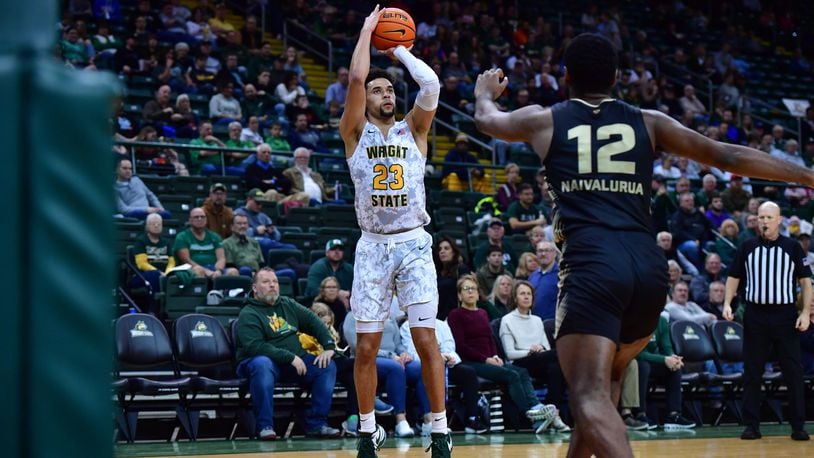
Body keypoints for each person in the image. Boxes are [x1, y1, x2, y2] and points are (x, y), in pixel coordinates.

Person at [473, 32, 814, 457]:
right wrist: (805, 176)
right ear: (617, 77)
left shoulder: (545, 119)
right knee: (606, 386)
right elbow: (727, 155)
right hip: (649, 268)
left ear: (565, 77)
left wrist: (485, 92)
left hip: (593, 265)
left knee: (586, 396)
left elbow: (487, 120)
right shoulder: (649, 120)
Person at [339, 6, 451, 456]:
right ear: (365, 101)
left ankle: (439, 431)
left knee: (427, 340)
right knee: (365, 348)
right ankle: (368, 431)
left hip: (413, 244)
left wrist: (399, 48)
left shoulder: (415, 130)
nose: (386, 94)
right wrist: (367, 33)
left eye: (389, 90)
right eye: (377, 89)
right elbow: (352, 82)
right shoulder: (354, 133)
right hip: (372, 248)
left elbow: (431, 85)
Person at [723, 201, 811, 441]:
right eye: (761, 217)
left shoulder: (793, 247)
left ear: (779, 220)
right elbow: (733, 276)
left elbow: (805, 282)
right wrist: (727, 303)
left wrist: (804, 313)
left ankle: (798, 426)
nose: (764, 221)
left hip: (785, 315)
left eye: (769, 217)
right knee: (752, 371)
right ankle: (751, 425)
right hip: (755, 314)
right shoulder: (747, 246)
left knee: (793, 371)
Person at [234, 268, 342, 440]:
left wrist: (329, 347)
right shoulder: (248, 313)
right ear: (255, 288)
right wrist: (289, 357)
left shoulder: (287, 304)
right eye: (266, 282)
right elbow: (255, 346)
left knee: (326, 365)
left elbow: (314, 321)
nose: (272, 285)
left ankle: (317, 424)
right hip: (258, 363)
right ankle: (265, 426)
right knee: (262, 363)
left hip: (294, 364)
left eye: (275, 282)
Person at [448, 275, 557, 431]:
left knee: (522, 371)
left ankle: (536, 407)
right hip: (471, 362)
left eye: (473, 289)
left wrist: (495, 356)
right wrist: (486, 359)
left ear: (479, 294)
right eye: (466, 289)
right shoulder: (455, 315)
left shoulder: (483, 313)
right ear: (460, 295)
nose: (470, 292)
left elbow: (490, 340)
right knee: (511, 375)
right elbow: (461, 346)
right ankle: (530, 414)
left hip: (490, 360)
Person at [499, 280, 570, 432]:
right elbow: (509, 353)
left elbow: (547, 348)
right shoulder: (507, 320)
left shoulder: (537, 320)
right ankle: (554, 414)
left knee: (556, 368)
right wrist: (530, 351)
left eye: (529, 294)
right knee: (559, 355)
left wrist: (540, 348)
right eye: (522, 294)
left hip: (540, 360)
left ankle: (552, 412)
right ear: (515, 298)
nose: (526, 297)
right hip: (519, 362)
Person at [343, 312, 428, 438]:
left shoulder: (389, 314)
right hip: (367, 361)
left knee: (420, 368)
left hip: (394, 358)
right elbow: (357, 346)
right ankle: (401, 421)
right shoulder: (353, 315)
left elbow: (398, 343)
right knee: (395, 368)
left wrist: (404, 353)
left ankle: (428, 419)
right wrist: (391, 356)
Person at [635, 314, 695, 430]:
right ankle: (639, 414)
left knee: (674, 369)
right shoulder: (635, 319)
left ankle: (674, 415)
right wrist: (664, 359)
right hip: (632, 361)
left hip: (650, 361)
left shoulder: (661, 321)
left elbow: (666, 348)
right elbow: (637, 353)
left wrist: (674, 358)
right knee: (643, 366)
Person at [173, 207, 238, 279]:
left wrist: (219, 270)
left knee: (233, 271)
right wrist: (206, 271)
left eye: (202, 217)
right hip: (193, 268)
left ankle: (224, 290)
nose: (200, 219)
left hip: (213, 268)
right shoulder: (182, 237)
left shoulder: (215, 236)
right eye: (196, 217)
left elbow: (221, 258)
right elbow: (187, 261)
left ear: (206, 220)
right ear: (190, 220)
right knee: (198, 270)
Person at [131, 213, 176, 311]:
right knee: (154, 275)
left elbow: (171, 262)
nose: (156, 226)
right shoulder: (141, 241)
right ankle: (154, 308)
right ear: (147, 226)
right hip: (142, 277)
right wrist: (159, 273)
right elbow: (141, 264)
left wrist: (167, 273)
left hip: (163, 275)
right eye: (153, 224)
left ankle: (172, 308)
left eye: (159, 224)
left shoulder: (167, 242)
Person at [432, 237, 470, 320]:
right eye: (440, 249)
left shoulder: (461, 270)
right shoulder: (434, 273)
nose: (442, 251)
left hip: (456, 317)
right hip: (437, 317)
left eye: (446, 248)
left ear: (453, 252)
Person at [528, 241, 559, 321]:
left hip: (554, 326)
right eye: (540, 251)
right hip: (534, 323)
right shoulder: (532, 276)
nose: (543, 254)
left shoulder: (561, 275)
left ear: (554, 253)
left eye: (547, 250)